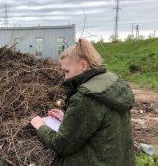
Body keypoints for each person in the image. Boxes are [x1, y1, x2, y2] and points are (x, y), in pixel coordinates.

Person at [30, 38, 135, 166]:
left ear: (83, 66)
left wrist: (41, 127)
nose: (65, 77)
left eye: (67, 71)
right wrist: (66, 118)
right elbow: (98, 123)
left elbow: (62, 144)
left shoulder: (85, 97)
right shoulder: (110, 83)